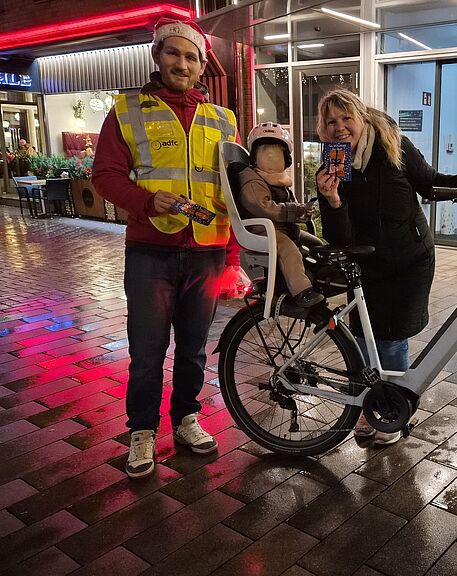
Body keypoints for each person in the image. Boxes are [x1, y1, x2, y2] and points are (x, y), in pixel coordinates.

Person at [92, 17, 243, 479]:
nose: (182, 63)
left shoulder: (223, 119)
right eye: (173, 53)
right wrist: (145, 200)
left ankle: (185, 419)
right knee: (147, 349)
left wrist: (234, 257)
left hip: (208, 250)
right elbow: (105, 176)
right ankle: (141, 431)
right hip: (150, 252)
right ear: (157, 57)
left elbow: (234, 192)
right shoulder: (127, 110)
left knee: (195, 347)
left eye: (191, 56)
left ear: (202, 66)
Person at [315, 89, 457, 444]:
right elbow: (339, 237)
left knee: (392, 339)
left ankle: (390, 412)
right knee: (363, 339)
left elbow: (429, 181)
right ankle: (371, 407)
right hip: (366, 264)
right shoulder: (333, 162)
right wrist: (331, 201)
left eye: (346, 118)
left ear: (362, 117)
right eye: (331, 121)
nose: (340, 127)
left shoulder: (394, 146)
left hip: (409, 259)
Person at [235, 122, 323, 307]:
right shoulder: (251, 178)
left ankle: (320, 277)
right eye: (265, 151)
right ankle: (302, 291)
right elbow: (263, 207)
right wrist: (292, 211)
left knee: (316, 244)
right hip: (263, 230)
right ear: (254, 158)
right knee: (289, 251)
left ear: (286, 159)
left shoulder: (280, 180)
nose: (270, 157)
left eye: (276, 153)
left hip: (281, 227)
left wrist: (302, 211)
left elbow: (286, 206)